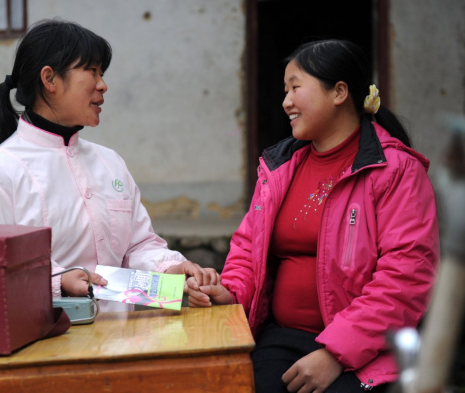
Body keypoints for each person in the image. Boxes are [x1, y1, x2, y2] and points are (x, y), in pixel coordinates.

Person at [187, 39, 439, 392]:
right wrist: (229, 293)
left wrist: (335, 354)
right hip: (282, 339)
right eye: (284, 90)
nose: (285, 101)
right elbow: (248, 251)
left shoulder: (396, 171)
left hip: (366, 351)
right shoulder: (278, 168)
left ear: (339, 92)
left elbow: (405, 279)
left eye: (295, 88)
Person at [0, 18, 218, 312]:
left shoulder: (110, 163)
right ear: (49, 79)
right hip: (42, 349)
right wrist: (57, 281)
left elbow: (138, 246)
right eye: (91, 71)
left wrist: (171, 268)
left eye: (102, 73)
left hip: (121, 343)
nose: (103, 85)